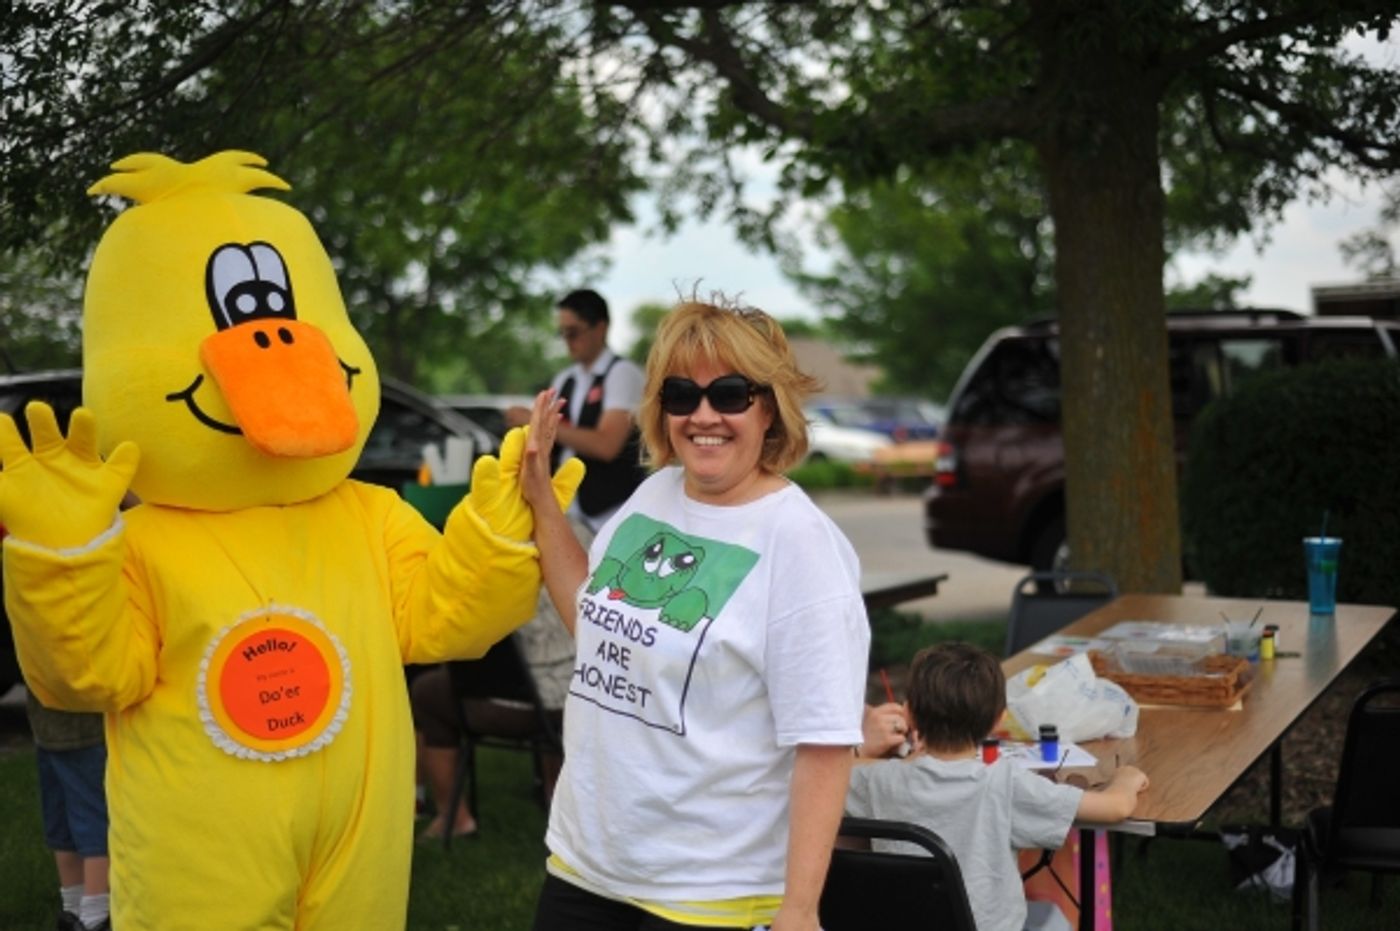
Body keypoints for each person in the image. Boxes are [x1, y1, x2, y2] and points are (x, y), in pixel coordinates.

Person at [519, 300, 871, 931]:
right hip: (583, 867)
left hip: (711, 896)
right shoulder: (654, 494)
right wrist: (541, 497)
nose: (703, 415)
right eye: (681, 394)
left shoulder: (800, 544)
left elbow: (824, 741)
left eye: (730, 393)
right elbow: (597, 624)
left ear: (770, 409)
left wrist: (800, 909)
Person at [845, 642, 1150, 931]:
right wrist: (1126, 778)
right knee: (1057, 922)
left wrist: (868, 753)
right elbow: (1114, 808)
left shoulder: (880, 781)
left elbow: (836, 774)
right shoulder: (1005, 784)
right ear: (998, 721)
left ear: (908, 713)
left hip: (901, 923)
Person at [410, 517, 591, 841]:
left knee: (426, 693)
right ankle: (554, 795)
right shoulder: (580, 531)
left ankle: (455, 817)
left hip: (520, 705)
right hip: (588, 694)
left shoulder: (485, 544)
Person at [506, 288, 646, 534]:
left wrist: (540, 423)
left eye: (573, 332)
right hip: (571, 509)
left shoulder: (622, 373)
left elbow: (606, 445)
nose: (567, 340)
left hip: (612, 515)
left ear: (600, 328)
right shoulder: (566, 378)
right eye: (562, 333)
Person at [24, 691, 111, 931]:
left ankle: (74, 911)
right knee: (93, 821)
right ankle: (96, 916)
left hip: (48, 722)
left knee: (63, 822)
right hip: (84, 723)